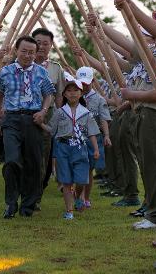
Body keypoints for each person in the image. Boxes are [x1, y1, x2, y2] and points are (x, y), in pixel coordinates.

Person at [0, 36, 56, 218]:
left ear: (36, 54)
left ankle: (28, 205)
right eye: (24, 51)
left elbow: (48, 95)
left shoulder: (41, 72)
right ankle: (11, 202)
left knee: (34, 164)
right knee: (12, 160)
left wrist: (43, 112)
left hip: (33, 120)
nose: (28, 55)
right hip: (11, 119)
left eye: (31, 52)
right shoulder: (6, 72)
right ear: (16, 51)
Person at [42, 80, 100, 219]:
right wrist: (40, 125)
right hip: (63, 147)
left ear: (81, 93)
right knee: (66, 181)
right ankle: (69, 211)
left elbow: (92, 132)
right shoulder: (60, 112)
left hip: (80, 148)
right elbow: (51, 130)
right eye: (69, 91)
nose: (72, 93)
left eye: (76, 90)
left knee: (82, 180)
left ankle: (78, 196)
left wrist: (96, 149)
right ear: (64, 95)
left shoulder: (86, 113)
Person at [32, 28, 65, 204]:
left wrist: (60, 118)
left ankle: (36, 196)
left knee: (44, 156)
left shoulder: (55, 68)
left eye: (46, 43)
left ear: (51, 46)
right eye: (38, 42)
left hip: (48, 114)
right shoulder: (22, 64)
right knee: (25, 155)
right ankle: (25, 192)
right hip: (25, 113)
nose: (41, 47)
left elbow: (59, 95)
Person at [75, 67, 111, 209]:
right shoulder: (72, 96)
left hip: (92, 139)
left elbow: (104, 119)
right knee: (78, 168)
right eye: (81, 83)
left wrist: (107, 135)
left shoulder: (98, 99)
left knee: (88, 169)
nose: (84, 86)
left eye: (86, 83)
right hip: (76, 138)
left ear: (92, 81)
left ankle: (85, 198)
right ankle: (77, 195)